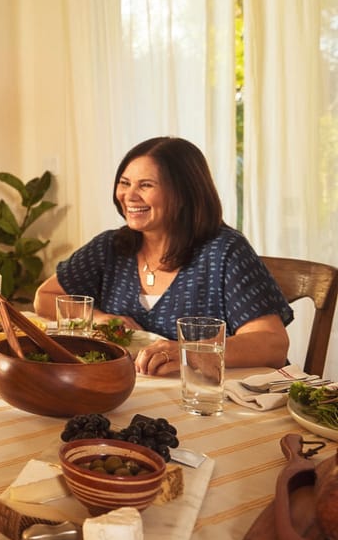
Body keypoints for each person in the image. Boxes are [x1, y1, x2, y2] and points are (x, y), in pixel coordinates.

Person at [33, 136, 293, 377]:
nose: (129, 196)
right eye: (124, 183)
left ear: (183, 194)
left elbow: (272, 343)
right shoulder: (111, 246)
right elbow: (46, 298)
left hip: (209, 400)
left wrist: (187, 352)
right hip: (129, 392)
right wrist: (100, 318)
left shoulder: (225, 251)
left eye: (146, 185)